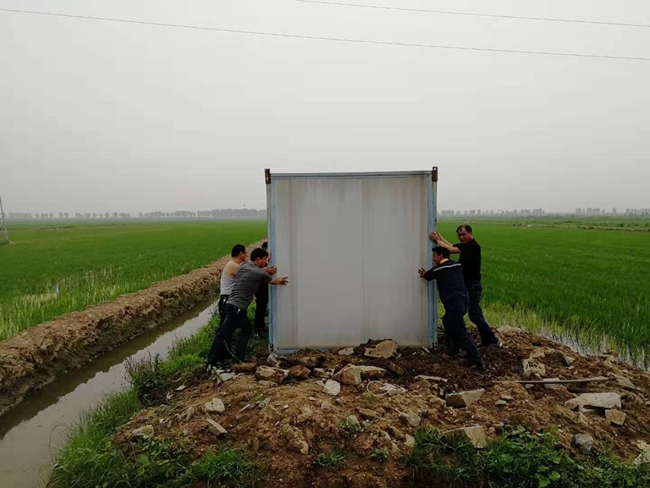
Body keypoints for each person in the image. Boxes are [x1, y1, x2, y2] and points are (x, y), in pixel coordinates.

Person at [207, 247, 288, 367]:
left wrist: (265, 260)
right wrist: (281, 279)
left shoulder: (244, 265)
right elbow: (273, 281)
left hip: (231, 305)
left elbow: (255, 267)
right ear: (258, 259)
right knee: (224, 334)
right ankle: (213, 361)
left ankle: (236, 356)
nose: (266, 262)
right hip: (237, 308)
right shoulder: (259, 273)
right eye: (265, 259)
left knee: (246, 329)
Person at [430, 225, 501, 347]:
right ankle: (485, 339)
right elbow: (451, 245)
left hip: (472, 285)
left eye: (463, 234)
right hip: (467, 284)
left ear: (470, 233)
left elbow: (451, 250)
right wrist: (438, 235)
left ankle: (490, 339)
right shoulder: (466, 245)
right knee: (470, 314)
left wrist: (437, 241)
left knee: (474, 315)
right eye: (459, 235)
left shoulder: (473, 246)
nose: (461, 237)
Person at [419, 246, 484, 370]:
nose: (433, 259)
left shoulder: (440, 268)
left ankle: (477, 361)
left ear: (441, 256)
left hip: (454, 305)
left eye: (434, 256)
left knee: (461, 332)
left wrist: (424, 273)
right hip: (464, 301)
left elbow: (428, 276)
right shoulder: (457, 265)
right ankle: (455, 349)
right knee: (447, 321)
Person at [219, 244, 247, 325]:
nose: (246, 255)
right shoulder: (233, 265)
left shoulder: (233, 264)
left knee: (231, 325)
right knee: (225, 326)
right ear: (241, 253)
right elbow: (249, 273)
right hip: (228, 300)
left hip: (230, 300)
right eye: (245, 253)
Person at [253, 242, 270, 337]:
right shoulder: (256, 264)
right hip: (260, 289)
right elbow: (257, 271)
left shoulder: (262, 261)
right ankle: (258, 330)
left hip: (263, 288)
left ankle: (261, 327)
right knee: (260, 309)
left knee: (262, 309)